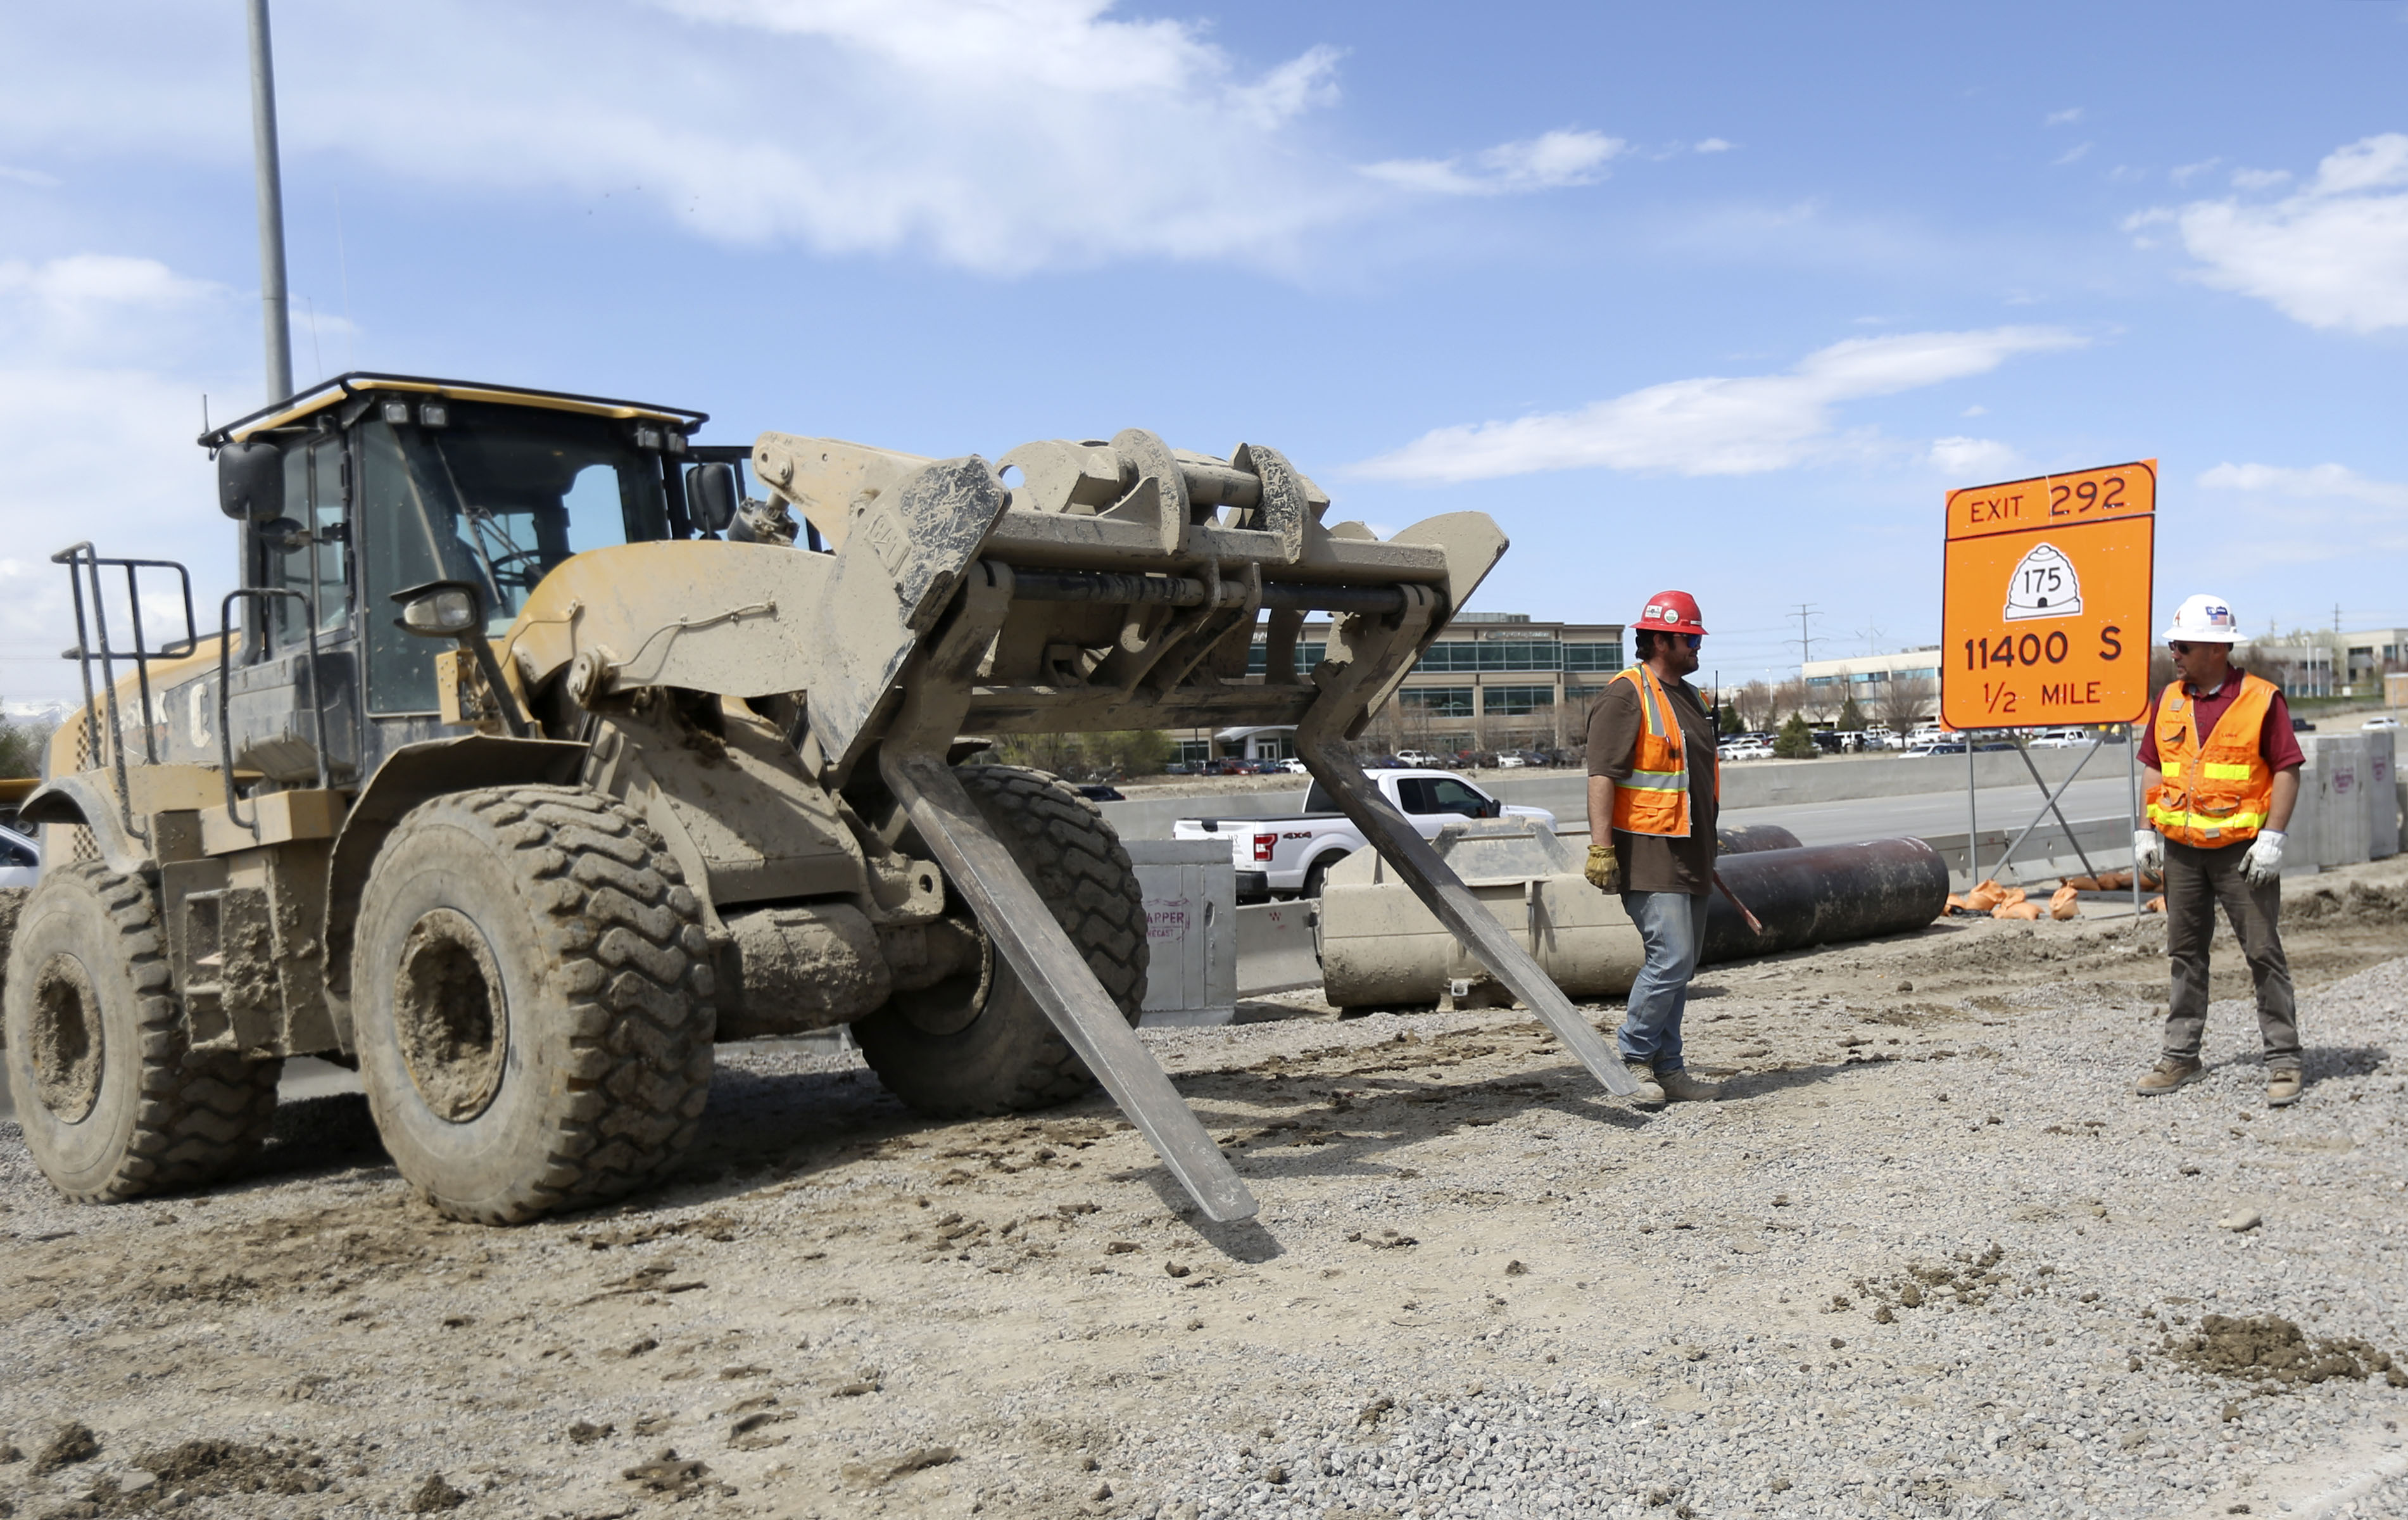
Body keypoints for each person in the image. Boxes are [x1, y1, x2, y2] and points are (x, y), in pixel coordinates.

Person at [2131, 593, 2308, 1106]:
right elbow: (2153, 764)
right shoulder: (2168, 699)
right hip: (2182, 850)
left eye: (2181, 645)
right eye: (2172, 644)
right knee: (2185, 954)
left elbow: (2287, 769)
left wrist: (2273, 837)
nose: (2173, 653)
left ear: (2214, 648)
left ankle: (2283, 1060)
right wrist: (2146, 829)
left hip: (2241, 854)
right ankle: (2181, 1056)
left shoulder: (2260, 699)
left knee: (2262, 953)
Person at [1585, 591, 1726, 1107]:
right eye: (1688, 639)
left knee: (1681, 966)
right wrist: (1601, 847)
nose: (1695, 648)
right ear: (1660, 640)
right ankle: (1631, 1060)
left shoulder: (1692, 698)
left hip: (1691, 850)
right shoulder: (1626, 695)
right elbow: (1602, 773)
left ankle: (1669, 1070)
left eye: (1695, 638)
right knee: (1670, 957)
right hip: (1647, 850)